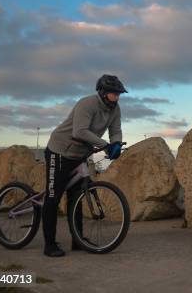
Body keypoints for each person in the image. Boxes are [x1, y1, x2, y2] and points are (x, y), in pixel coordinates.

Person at [42, 74, 127, 257]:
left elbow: (116, 130)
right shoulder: (87, 104)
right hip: (60, 151)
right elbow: (79, 131)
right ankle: (49, 244)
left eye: (119, 94)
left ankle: (77, 240)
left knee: (77, 197)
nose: (117, 97)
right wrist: (105, 145)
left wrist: (117, 143)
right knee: (53, 196)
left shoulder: (115, 109)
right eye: (114, 93)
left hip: (80, 154)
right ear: (103, 93)